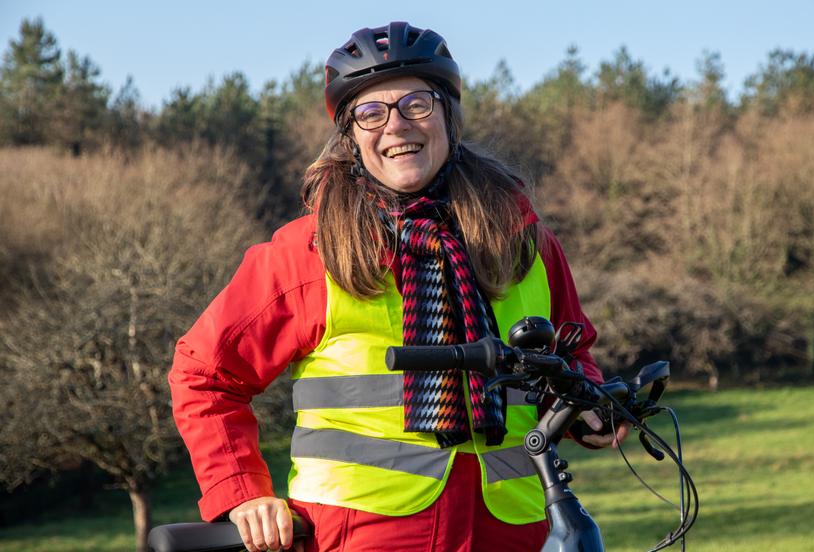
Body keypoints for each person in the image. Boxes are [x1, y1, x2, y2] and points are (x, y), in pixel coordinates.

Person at [169, 21, 629, 552]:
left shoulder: (526, 241)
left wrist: (588, 409)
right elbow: (204, 372)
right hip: (361, 534)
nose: (395, 126)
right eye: (371, 112)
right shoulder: (311, 251)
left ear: (448, 117)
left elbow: (571, 358)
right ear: (351, 134)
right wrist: (242, 492)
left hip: (516, 531)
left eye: (416, 105)